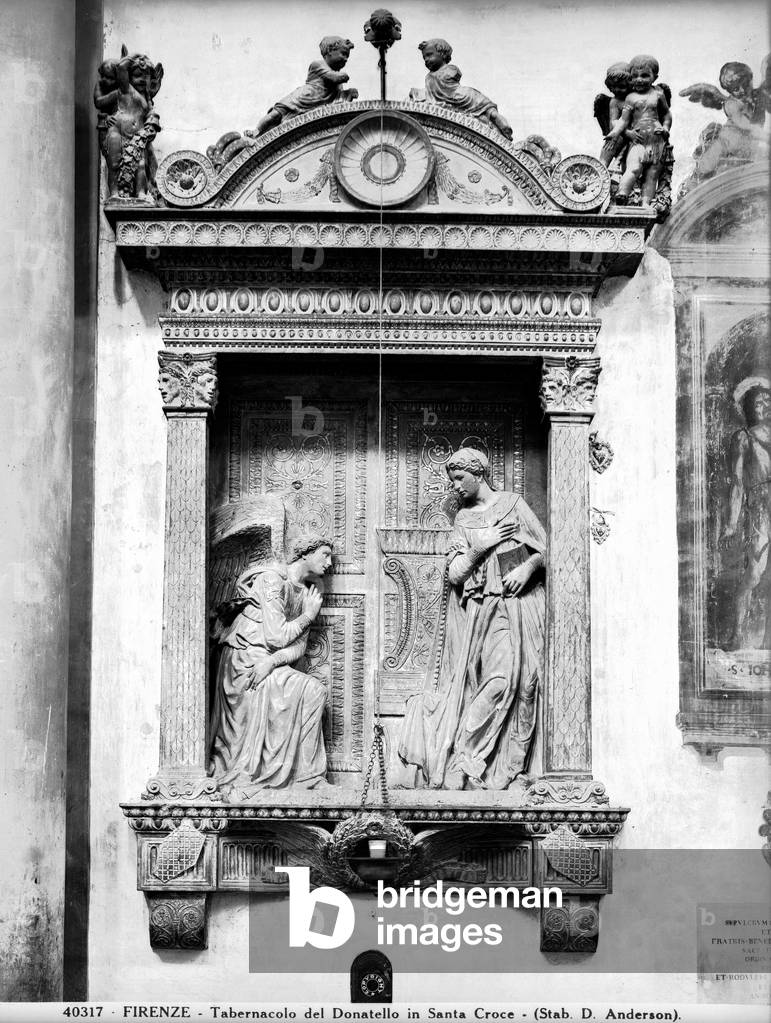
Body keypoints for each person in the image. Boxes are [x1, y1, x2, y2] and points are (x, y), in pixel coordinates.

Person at [398, 448, 545, 790]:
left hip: (522, 606)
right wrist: (480, 546)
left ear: (478, 474)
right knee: (498, 682)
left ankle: (512, 769)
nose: (456, 486)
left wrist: (527, 568)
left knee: (527, 685)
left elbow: (546, 549)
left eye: (460, 478)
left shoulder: (513, 504)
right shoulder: (463, 520)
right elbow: (454, 573)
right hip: (487, 609)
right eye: (452, 480)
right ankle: (464, 760)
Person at [208, 534, 334, 794]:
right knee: (299, 690)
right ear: (306, 553)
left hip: (267, 663)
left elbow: (298, 647)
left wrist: (272, 661)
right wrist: (308, 616)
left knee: (315, 690)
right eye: (325, 554)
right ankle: (253, 770)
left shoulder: (307, 593)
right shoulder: (272, 579)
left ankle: (309, 777)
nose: (329, 563)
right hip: (244, 660)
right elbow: (276, 636)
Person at [719, 378, 771, 650]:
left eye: (768, 401)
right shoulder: (743, 438)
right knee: (754, 573)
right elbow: (737, 484)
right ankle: (737, 633)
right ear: (748, 407)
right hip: (760, 508)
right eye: (759, 402)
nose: (765, 406)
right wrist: (731, 524)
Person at [253, 36, 358, 136]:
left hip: (316, 103)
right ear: (330, 51)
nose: (345, 59)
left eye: (347, 57)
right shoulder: (318, 65)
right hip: (302, 98)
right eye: (343, 54)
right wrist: (344, 76)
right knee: (276, 114)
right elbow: (333, 77)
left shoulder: (338, 81)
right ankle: (256, 132)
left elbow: (337, 99)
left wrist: (348, 94)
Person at [411, 38, 513, 140]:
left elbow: (447, 82)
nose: (426, 60)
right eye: (424, 57)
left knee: (479, 102)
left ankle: (497, 118)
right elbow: (431, 94)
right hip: (445, 97)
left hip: (457, 94)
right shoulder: (429, 77)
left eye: (429, 55)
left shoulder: (450, 69)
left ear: (442, 54)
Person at [604, 54, 671, 207]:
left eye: (645, 75)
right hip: (638, 141)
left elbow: (666, 114)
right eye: (635, 76)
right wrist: (614, 133)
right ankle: (622, 193)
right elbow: (623, 120)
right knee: (633, 168)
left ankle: (646, 204)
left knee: (651, 176)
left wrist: (665, 128)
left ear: (655, 77)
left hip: (657, 142)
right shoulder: (630, 98)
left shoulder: (659, 94)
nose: (639, 79)